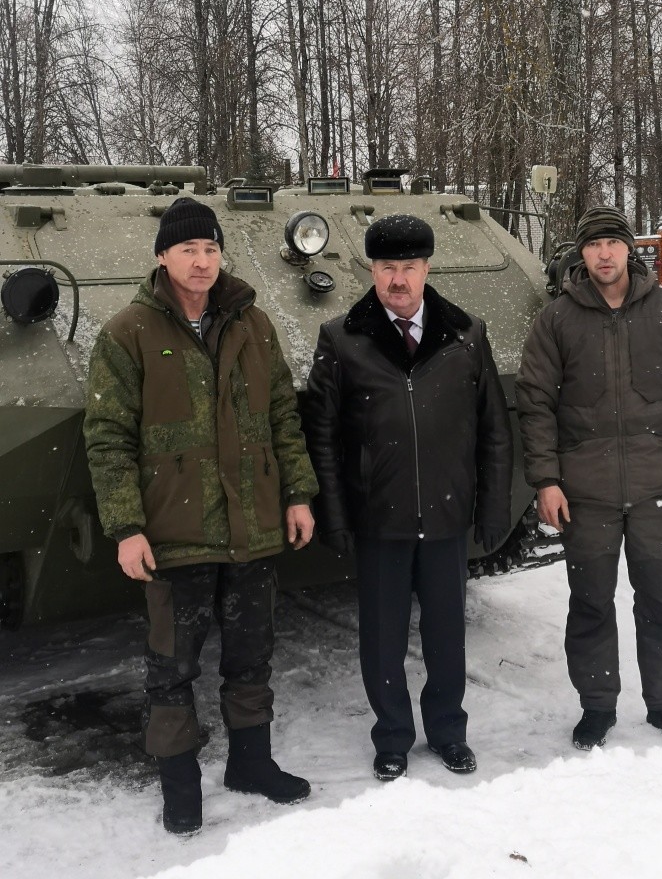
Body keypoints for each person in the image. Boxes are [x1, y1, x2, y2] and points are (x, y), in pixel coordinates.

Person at [83, 197, 318, 834]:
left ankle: (251, 763)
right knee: (171, 667)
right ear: (162, 256)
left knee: (251, 655)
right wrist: (126, 527)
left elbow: (282, 419)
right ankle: (180, 786)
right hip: (173, 532)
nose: (202, 261)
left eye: (211, 249)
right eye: (188, 249)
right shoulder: (127, 332)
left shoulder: (254, 324)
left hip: (252, 525)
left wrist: (297, 494)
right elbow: (107, 437)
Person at [304, 213, 513, 781]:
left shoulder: (467, 334)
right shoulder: (342, 338)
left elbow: (493, 429)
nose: (399, 279)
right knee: (383, 638)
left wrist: (493, 505)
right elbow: (322, 436)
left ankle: (448, 730)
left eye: (410, 267)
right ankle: (392, 735)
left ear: (427, 269)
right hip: (380, 516)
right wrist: (336, 515)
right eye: (387, 267)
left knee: (447, 634)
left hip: (446, 514)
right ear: (371, 270)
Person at [516, 205, 662, 750]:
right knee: (590, 603)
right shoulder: (557, 319)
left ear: (630, 249)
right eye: (593, 244)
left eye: (613, 242)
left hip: (657, 486)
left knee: (661, 602)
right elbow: (534, 403)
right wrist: (546, 480)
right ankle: (597, 707)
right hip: (586, 493)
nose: (604, 253)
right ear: (580, 254)